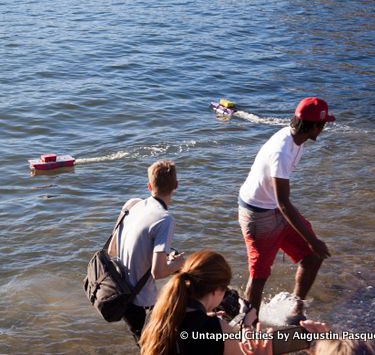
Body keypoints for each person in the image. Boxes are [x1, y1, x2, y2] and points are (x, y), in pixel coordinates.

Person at [238, 97, 335, 321]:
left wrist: (311, 241)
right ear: (314, 126)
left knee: (312, 256)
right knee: (260, 276)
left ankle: (296, 309)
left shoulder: (296, 139)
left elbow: (281, 203)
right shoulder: (282, 151)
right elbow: (284, 203)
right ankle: (248, 329)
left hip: (274, 209)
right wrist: (311, 238)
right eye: (323, 124)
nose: (324, 128)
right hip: (257, 214)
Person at [108, 160, 186, 343]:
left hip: (121, 292)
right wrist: (178, 263)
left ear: (149, 186)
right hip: (141, 302)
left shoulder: (132, 204)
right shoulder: (165, 219)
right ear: (176, 185)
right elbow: (158, 273)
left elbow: (113, 250)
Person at [139, 250, 270, 355]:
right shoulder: (218, 329)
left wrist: (204, 319)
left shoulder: (155, 317)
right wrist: (245, 325)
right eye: (225, 289)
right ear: (215, 290)